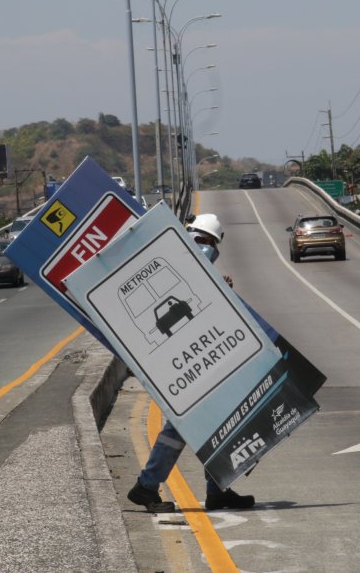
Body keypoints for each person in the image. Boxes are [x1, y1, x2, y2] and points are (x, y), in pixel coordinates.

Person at [127, 213, 255, 513]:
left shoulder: (193, 272)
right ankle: (146, 486)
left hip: (201, 364)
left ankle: (217, 489)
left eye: (210, 244)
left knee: (217, 426)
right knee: (178, 429)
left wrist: (220, 287)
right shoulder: (166, 267)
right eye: (200, 241)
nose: (205, 249)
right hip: (177, 367)